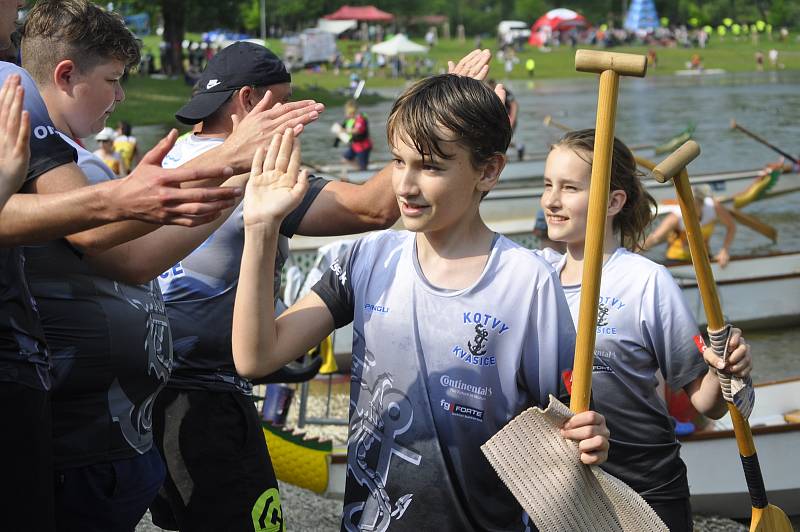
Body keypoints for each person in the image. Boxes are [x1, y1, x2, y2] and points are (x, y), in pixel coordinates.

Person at [232, 75, 610, 531]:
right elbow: (256, 357)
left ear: (489, 170)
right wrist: (260, 229)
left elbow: (571, 417)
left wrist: (591, 436)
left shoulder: (527, 282)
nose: (405, 186)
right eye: (397, 161)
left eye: (430, 167)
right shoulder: (365, 259)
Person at [149, 41, 398, 532]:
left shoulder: (172, 156)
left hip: (148, 395)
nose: (294, 122)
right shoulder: (257, 175)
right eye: (285, 105)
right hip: (209, 402)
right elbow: (376, 207)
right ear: (247, 101)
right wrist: (443, 120)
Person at [538, 129, 752, 531]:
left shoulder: (646, 281)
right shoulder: (533, 276)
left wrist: (725, 370)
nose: (551, 200)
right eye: (548, 185)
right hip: (560, 491)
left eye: (569, 188)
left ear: (614, 200)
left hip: (646, 487)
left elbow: (708, 405)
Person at [644, 184, 736, 268]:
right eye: (686, 205)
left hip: (704, 257)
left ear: (702, 203)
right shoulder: (677, 215)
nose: (688, 209)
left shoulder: (713, 207)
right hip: (677, 259)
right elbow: (655, 238)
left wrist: (724, 250)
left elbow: (731, 227)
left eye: (693, 205)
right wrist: (634, 251)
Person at [488, 79, 523, 161]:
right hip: (499, 122)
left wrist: (512, 121)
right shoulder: (490, 93)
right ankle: (519, 147)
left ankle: (503, 159)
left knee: (501, 142)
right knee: (497, 141)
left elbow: (514, 105)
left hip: (509, 121)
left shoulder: (505, 92)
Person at [340, 98, 373, 171]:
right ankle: (358, 169)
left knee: (363, 167)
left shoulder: (360, 118)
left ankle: (362, 172)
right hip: (355, 146)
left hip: (363, 147)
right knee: (344, 159)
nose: (346, 115)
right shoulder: (351, 120)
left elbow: (357, 130)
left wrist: (344, 130)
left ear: (352, 112)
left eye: (348, 113)